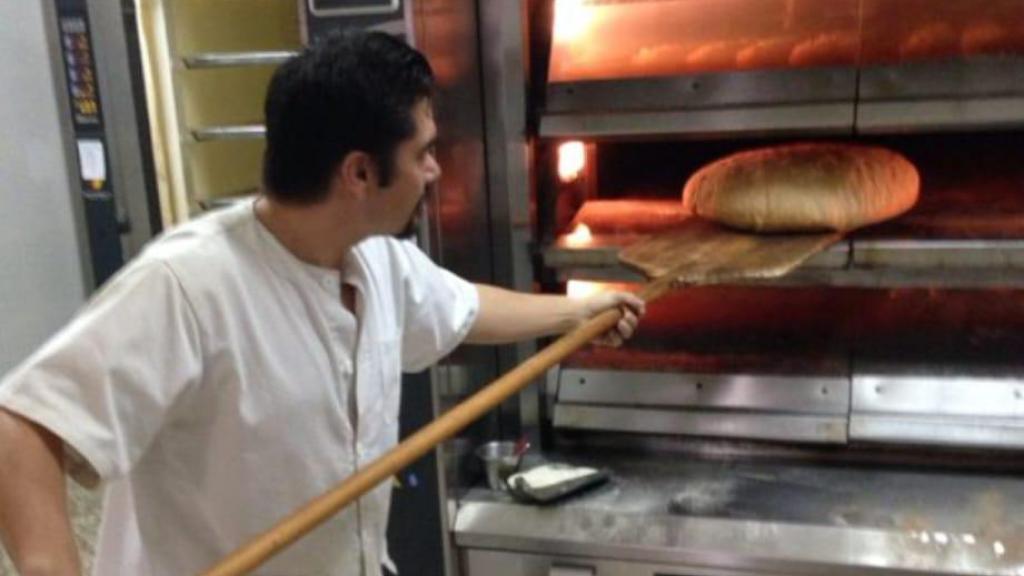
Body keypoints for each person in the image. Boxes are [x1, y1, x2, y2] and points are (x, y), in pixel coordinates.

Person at [0, 30, 643, 576]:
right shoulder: (189, 286)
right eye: (422, 152)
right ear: (359, 173)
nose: (435, 171)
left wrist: (574, 314)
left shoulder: (376, 258)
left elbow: (463, 307)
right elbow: (22, 425)